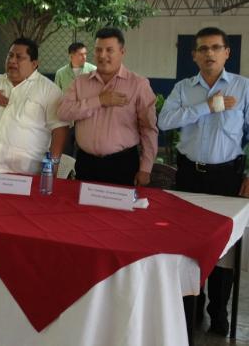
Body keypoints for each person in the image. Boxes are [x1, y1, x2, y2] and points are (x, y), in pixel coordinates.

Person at [158, 26, 249, 336]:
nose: (209, 53)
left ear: (227, 52)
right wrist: (206, 107)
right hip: (189, 176)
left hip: (227, 177)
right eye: (203, 49)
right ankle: (190, 308)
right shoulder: (184, 88)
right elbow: (165, 121)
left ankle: (218, 311)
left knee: (224, 246)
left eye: (215, 47)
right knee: (187, 244)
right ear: (194, 55)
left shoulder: (243, 87)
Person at [57, 27, 157, 186]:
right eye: (98, 50)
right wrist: (99, 101)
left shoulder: (138, 85)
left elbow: (148, 128)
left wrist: (146, 168)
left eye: (109, 50)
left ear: (122, 52)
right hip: (86, 163)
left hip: (122, 164)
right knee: (80, 203)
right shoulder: (80, 82)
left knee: (120, 203)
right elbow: (63, 112)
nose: (102, 55)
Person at [0, 37, 68, 174]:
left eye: (19, 57)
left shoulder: (48, 90)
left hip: (27, 173)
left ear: (34, 64)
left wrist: (53, 165)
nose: (12, 60)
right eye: (10, 55)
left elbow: (60, 129)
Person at [54, 42, 97, 156]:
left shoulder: (93, 71)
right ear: (71, 56)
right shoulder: (61, 73)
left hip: (86, 119)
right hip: (67, 120)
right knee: (65, 152)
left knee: (83, 153)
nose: (84, 57)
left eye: (85, 54)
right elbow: (57, 97)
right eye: (81, 54)